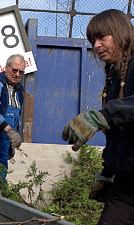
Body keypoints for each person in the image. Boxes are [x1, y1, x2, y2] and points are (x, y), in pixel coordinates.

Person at [62, 9, 134, 224]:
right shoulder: (115, 74)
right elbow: (120, 134)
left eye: (103, 37)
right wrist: (107, 172)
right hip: (127, 186)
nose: (96, 46)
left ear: (120, 33)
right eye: (93, 40)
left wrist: (103, 116)